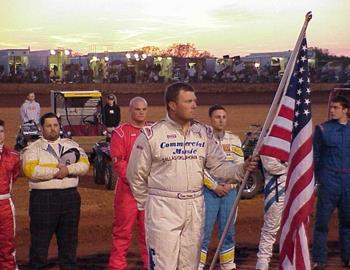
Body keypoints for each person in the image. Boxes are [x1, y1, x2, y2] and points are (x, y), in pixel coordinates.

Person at [127, 82, 259, 270]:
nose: (195, 105)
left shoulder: (203, 133)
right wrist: (148, 204)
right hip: (163, 208)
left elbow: (220, 166)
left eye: (195, 101)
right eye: (188, 101)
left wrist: (242, 168)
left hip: (195, 207)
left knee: (191, 266)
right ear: (173, 105)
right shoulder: (152, 135)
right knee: (164, 266)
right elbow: (135, 176)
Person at [22, 112, 90, 270]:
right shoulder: (33, 148)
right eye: (48, 126)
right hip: (43, 199)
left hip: (70, 198)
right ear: (41, 128)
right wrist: (57, 171)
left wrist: (67, 170)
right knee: (39, 245)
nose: (52, 129)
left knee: (69, 244)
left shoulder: (72, 145)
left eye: (55, 125)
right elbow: (31, 170)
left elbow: (85, 165)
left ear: (59, 126)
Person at [199, 105, 244, 270]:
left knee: (228, 231)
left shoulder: (235, 140)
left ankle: (228, 266)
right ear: (211, 119)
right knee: (204, 232)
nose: (221, 120)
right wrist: (214, 186)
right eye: (217, 117)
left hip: (229, 192)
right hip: (208, 192)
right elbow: (199, 168)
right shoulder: (203, 140)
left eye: (224, 117)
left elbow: (240, 167)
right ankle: (198, 265)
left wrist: (230, 185)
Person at [108, 97, 149, 270]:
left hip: (149, 192)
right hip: (127, 192)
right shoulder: (121, 133)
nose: (141, 112)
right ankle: (116, 267)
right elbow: (118, 162)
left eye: (144, 109)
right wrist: (137, 180)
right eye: (137, 109)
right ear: (130, 110)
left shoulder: (154, 131)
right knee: (122, 233)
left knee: (150, 235)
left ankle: (152, 266)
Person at [312, 95, 350, 270]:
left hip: (348, 182)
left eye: (336, 107)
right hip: (329, 180)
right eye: (331, 107)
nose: (332, 110)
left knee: (348, 222)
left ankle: (347, 257)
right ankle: (319, 259)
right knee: (321, 222)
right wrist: (317, 182)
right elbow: (316, 157)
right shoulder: (322, 130)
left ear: (345, 110)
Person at [256, 156, 287, 270]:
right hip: (275, 190)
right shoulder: (269, 139)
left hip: (295, 188)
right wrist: (292, 168)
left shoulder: (296, 139)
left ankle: (290, 259)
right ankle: (263, 262)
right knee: (270, 228)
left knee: (294, 227)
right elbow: (271, 166)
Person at [0, 119, 20, 269]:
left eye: (1, 131)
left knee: (7, 244)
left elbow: (15, 176)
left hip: (5, 205)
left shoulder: (14, 156)